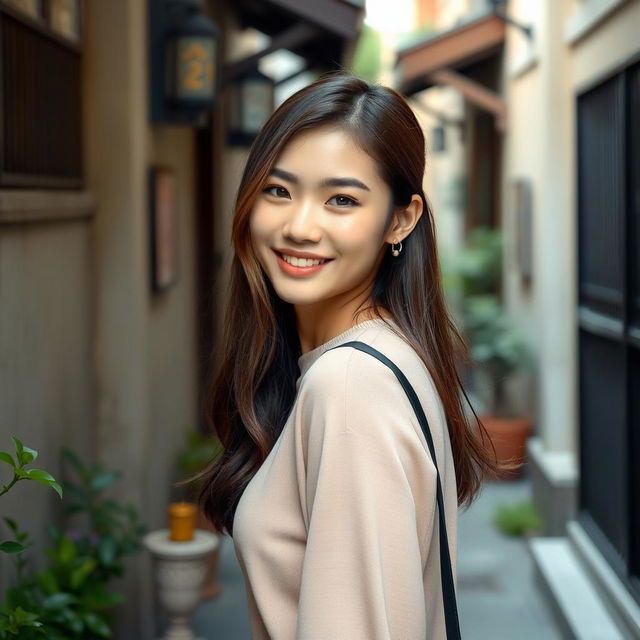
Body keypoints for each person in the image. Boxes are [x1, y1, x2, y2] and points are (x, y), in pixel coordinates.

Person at [195, 73, 507, 639]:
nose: (299, 227)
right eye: (278, 190)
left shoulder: (350, 383)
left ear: (400, 219)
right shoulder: (384, 355)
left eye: (341, 199)